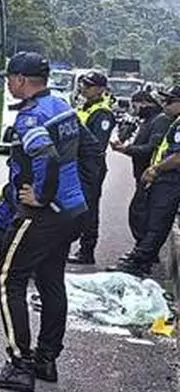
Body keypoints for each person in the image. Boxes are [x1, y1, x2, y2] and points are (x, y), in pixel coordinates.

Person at [0, 51, 87, 392]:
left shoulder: (30, 118)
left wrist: (41, 196)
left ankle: (19, 364)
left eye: (10, 78)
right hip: (73, 209)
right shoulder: (61, 107)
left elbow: (47, 158)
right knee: (52, 282)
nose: (8, 84)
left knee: (10, 279)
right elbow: (86, 149)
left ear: (22, 80)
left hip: (45, 214)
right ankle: (46, 359)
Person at [109, 85, 180, 277]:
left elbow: (177, 157)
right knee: (148, 218)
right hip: (164, 177)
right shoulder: (172, 121)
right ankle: (142, 257)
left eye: (169, 101)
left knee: (156, 222)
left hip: (171, 179)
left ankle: (140, 261)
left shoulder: (172, 122)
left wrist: (155, 169)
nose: (164, 104)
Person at [67, 71, 115, 265]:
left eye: (89, 85)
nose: (84, 88)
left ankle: (87, 250)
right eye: (83, 84)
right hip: (78, 162)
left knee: (88, 207)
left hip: (91, 165)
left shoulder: (102, 112)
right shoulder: (86, 107)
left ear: (101, 89)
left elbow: (97, 145)